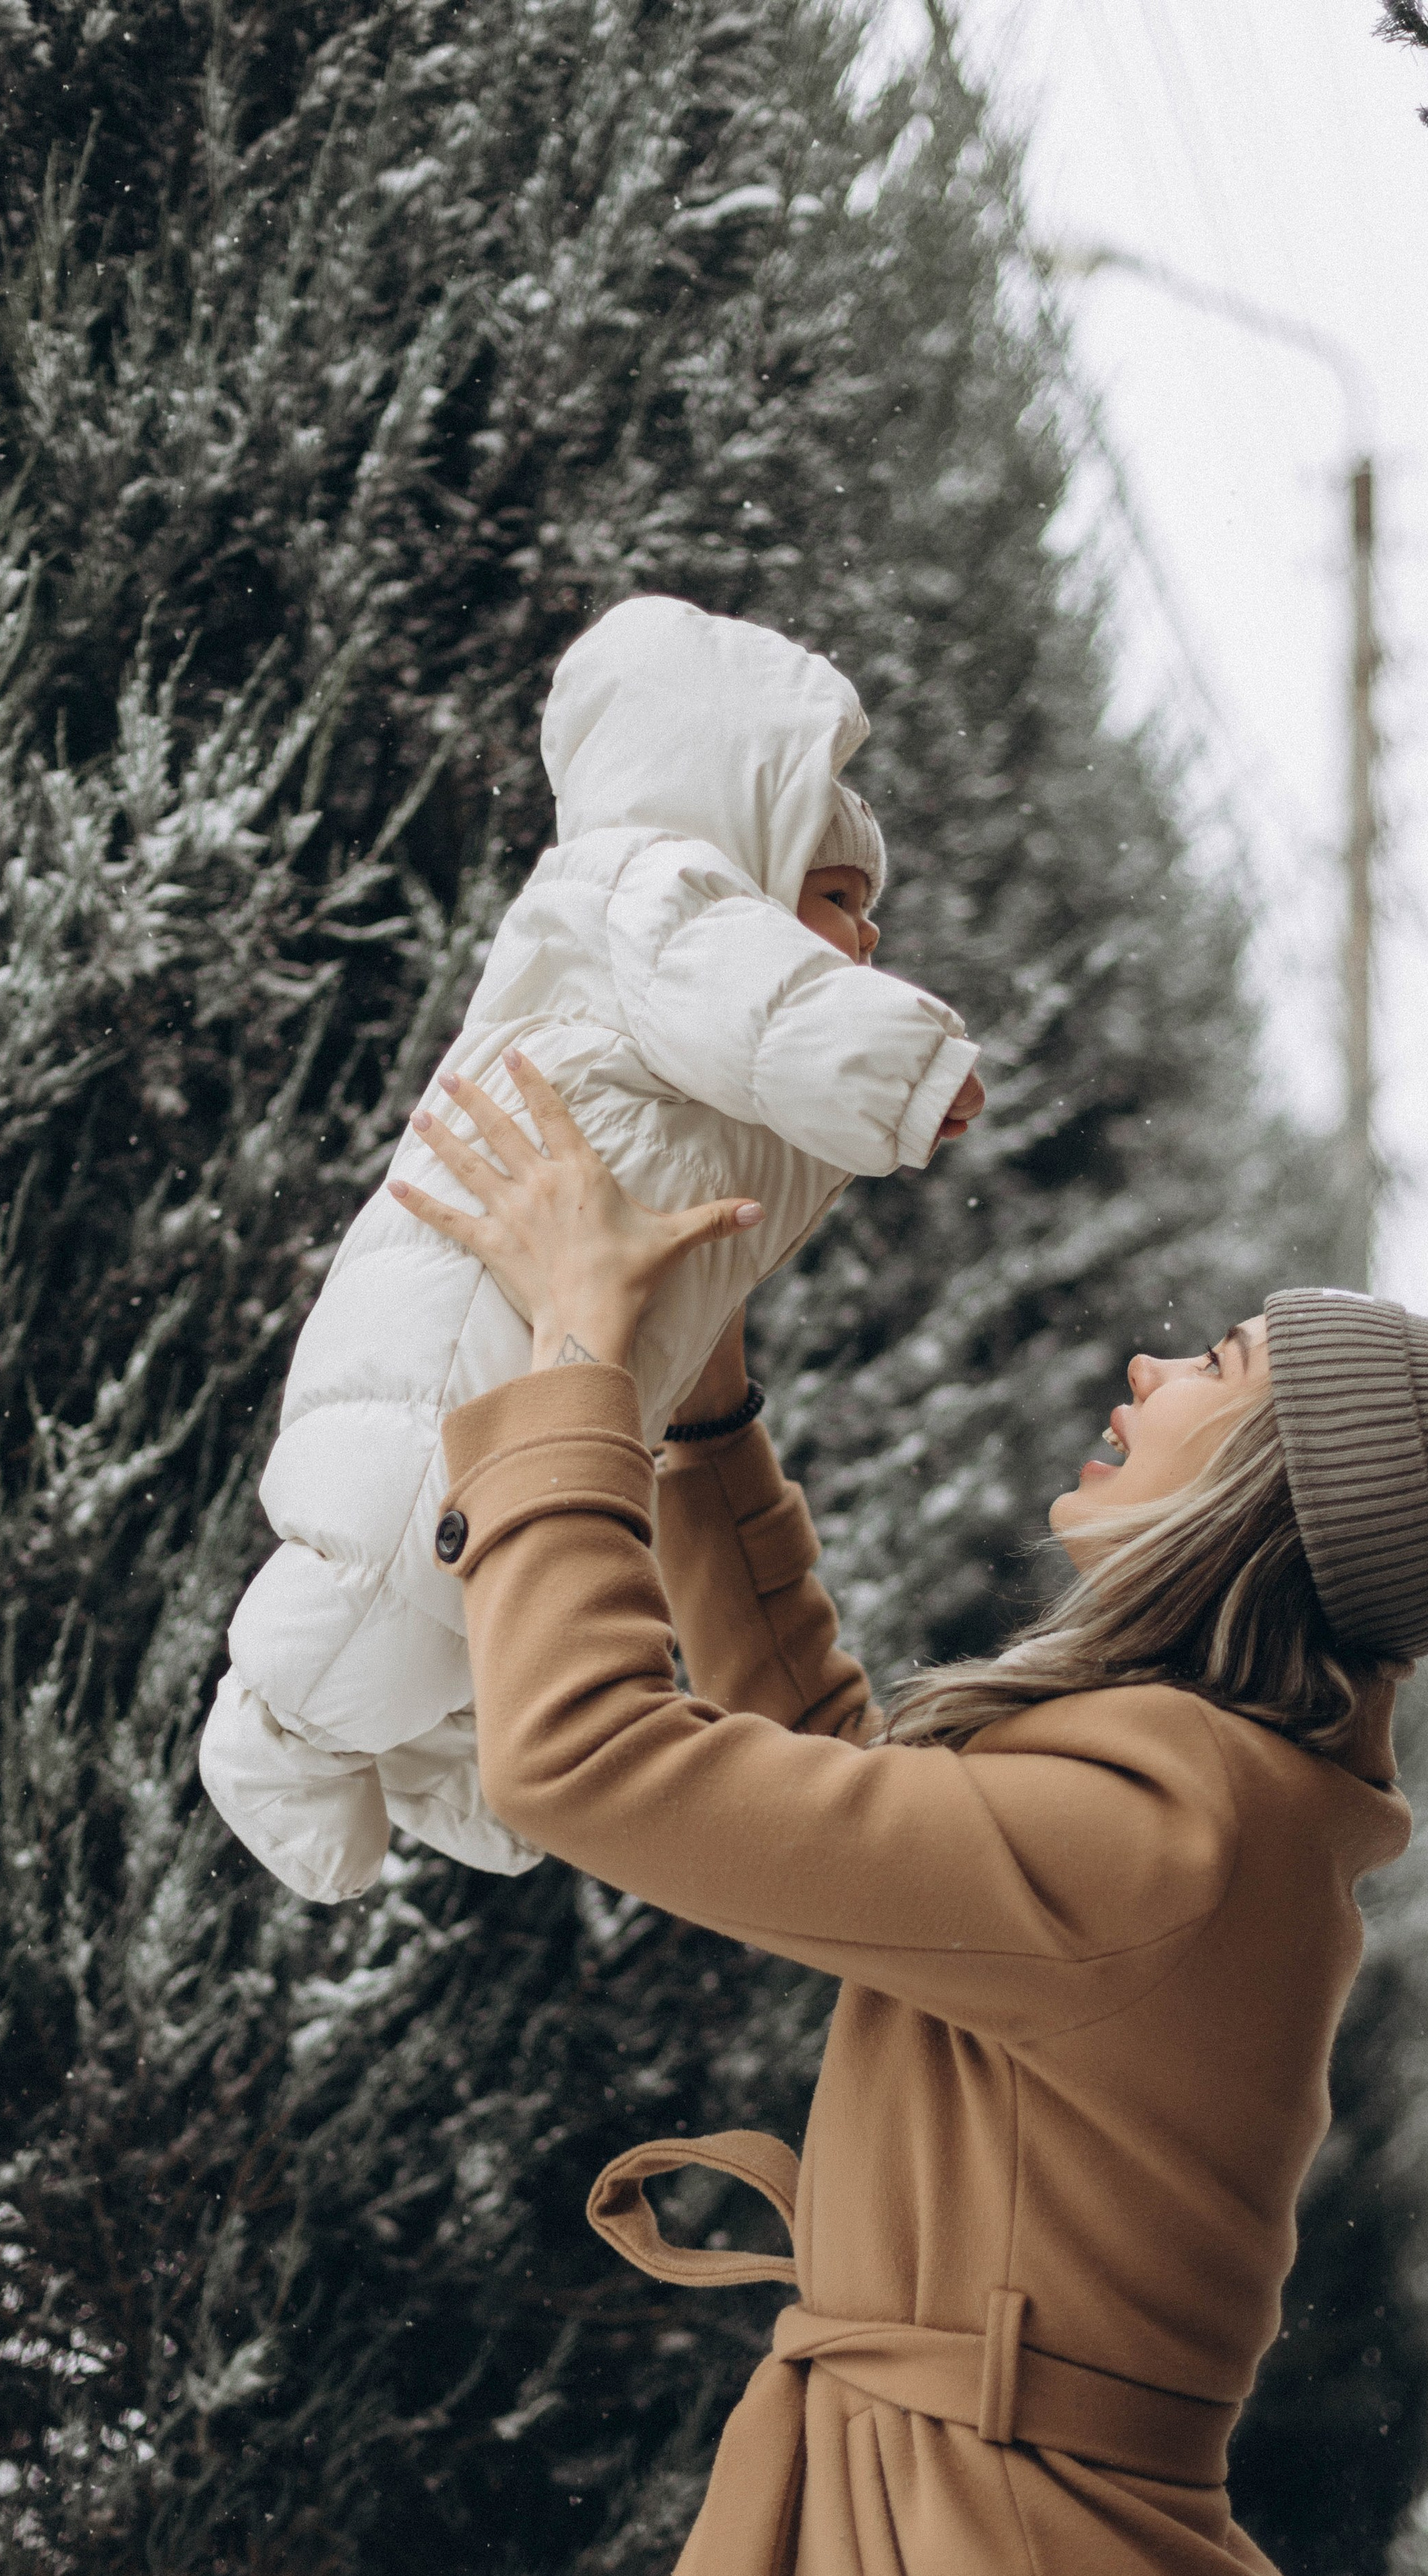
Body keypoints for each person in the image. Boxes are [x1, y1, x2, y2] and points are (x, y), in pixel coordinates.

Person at [394, 1059, 1428, 2576]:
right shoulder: (1185, 1812)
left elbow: (583, 1759)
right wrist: (709, 1426)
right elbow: (833, 1799)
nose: (1149, 1367)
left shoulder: (1160, 1837)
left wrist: (581, 1363)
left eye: (1216, 1368)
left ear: (1267, 1500)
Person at [198, 595, 984, 1906]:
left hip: (558, 1336)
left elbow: (777, 1085)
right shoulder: (650, 893)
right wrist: (905, 1068)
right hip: (456, 1331)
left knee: (484, 1615)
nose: (869, 939)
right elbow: (777, 1007)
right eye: (840, 896)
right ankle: (272, 1725)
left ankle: (437, 1754)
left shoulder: (720, 1061)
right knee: (390, 1562)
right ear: (748, 846)